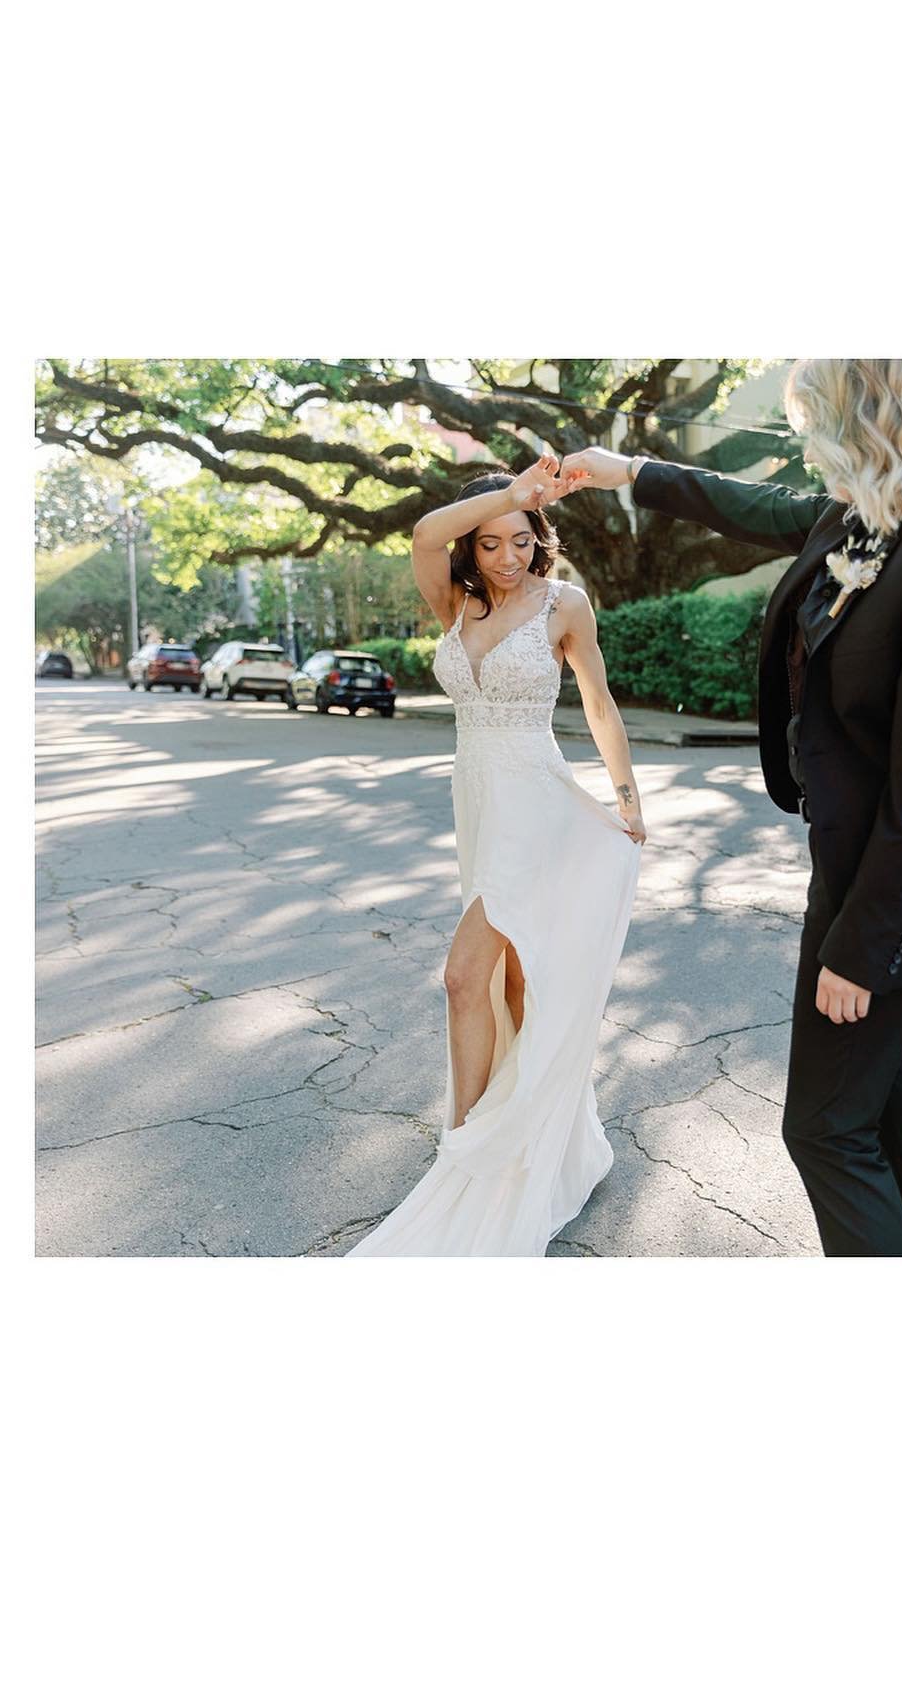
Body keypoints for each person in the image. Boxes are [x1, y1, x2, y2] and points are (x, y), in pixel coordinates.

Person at [558, 359, 902, 1257]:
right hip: (852, 866)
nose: (803, 443)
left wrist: (862, 950)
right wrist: (625, 471)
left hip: (888, 893)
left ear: (862, 424)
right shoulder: (856, 520)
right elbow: (745, 505)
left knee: (828, 1132)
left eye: (815, 423)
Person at [347, 455, 645, 1257]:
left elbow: (598, 701)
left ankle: (465, 1144)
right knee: (510, 979)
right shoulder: (455, 601)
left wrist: (626, 800)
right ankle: (508, 1124)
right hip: (479, 804)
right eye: (490, 544)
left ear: (538, 540)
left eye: (521, 539)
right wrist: (505, 494)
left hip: (538, 808)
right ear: (469, 554)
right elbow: (418, 534)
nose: (509, 557)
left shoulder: (564, 604)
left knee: (463, 976)